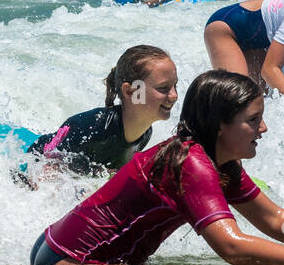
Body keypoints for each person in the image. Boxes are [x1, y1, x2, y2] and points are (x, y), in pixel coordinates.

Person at [29, 70, 284, 265]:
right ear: (219, 125)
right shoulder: (190, 164)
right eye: (253, 120)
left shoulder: (220, 161)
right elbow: (232, 247)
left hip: (77, 254)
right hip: (67, 264)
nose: (263, 129)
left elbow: (273, 220)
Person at [26, 46, 177, 176]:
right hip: (33, 158)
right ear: (131, 91)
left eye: (174, 86)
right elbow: (45, 166)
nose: (174, 96)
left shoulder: (145, 133)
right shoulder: (94, 127)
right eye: (163, 88)